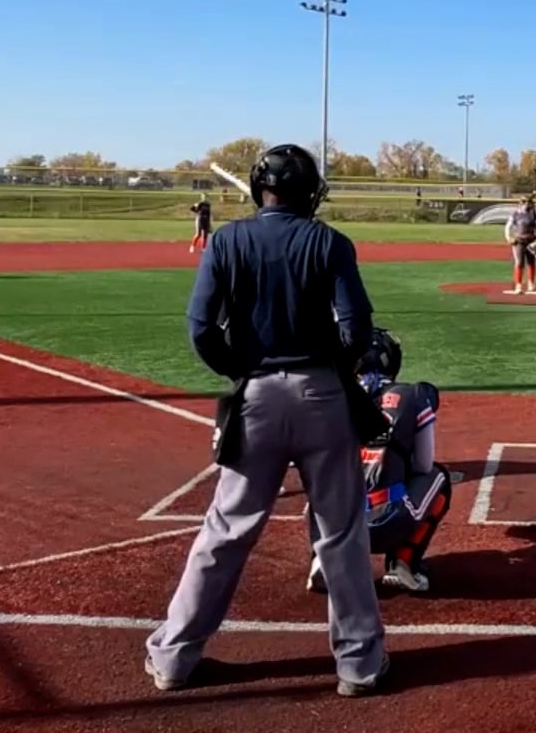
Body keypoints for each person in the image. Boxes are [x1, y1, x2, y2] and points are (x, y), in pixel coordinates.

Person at [144, 143, 392, 697]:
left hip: (255, 396)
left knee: (226, 530)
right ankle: (358, 664)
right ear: (309, 193)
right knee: (340, 533)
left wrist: (243, 369)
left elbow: (201, 329)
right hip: (323, 395)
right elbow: (356, 330)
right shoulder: (329, 242)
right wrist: (333, 366)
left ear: (260, 189)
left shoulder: (226, 241)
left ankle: (174, 658)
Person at [307, 328, 452, 595]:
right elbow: (424, 464)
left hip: (336, 524)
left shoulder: (330, 393)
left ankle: (322, 557)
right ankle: (403, 563)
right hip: (388, 522)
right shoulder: (413, 394)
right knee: (439, 477)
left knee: (319, 480)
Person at [504, 193, 536, 295]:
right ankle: (518, 285)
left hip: (530, 241)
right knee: (519, 262)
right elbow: (508, 226)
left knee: (531, 262)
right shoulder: (515, 214)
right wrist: (508, 238)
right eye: (524, 202)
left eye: (528, 202)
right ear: (520, 203)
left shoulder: (533, 214)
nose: (526, 204)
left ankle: (531, 283)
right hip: (519, 241)